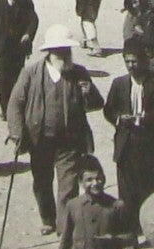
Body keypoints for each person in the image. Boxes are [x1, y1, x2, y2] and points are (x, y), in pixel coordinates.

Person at [6, 25, 105, 235]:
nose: (64, 55)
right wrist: (17, 133)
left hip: (70, 141)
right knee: (41, 183)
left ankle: (64, 226)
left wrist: (89, 92)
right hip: (39, 140)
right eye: (60, 51)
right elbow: (15, 103)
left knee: (68, 186)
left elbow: (97, 103)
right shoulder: (31, 73)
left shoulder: (79, 73)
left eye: (67, 50)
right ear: (49, 52)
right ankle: (48, 218)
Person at [103, 38, 154, 234]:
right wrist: (119, 119)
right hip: (127, 144)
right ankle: (130, 232)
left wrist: (147, 118)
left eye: (134, 61)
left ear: (143, 61)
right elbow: (109, 110)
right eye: (127, 61)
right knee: (127, 191)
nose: (130, 66)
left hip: (151, 144)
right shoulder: (119, 84)